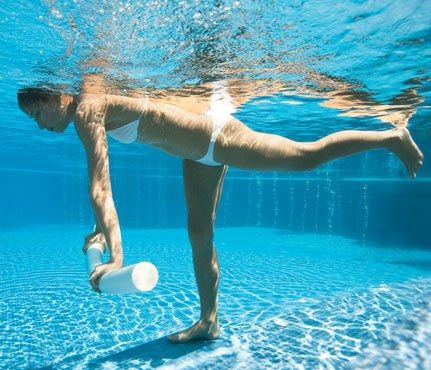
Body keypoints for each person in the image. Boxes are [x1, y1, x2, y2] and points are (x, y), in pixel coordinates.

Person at [17, 76, 423, 343]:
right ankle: (209, 322)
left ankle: (390, 136)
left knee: (306, 157)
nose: (38, 124)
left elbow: (101, 187)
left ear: (56, 97)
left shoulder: (88, 109)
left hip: (216, 136)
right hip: (196, 155)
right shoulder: (88, 106)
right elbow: (101, 185)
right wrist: (100, 230)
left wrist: (117, 258)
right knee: (199, 234)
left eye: (37, 113)